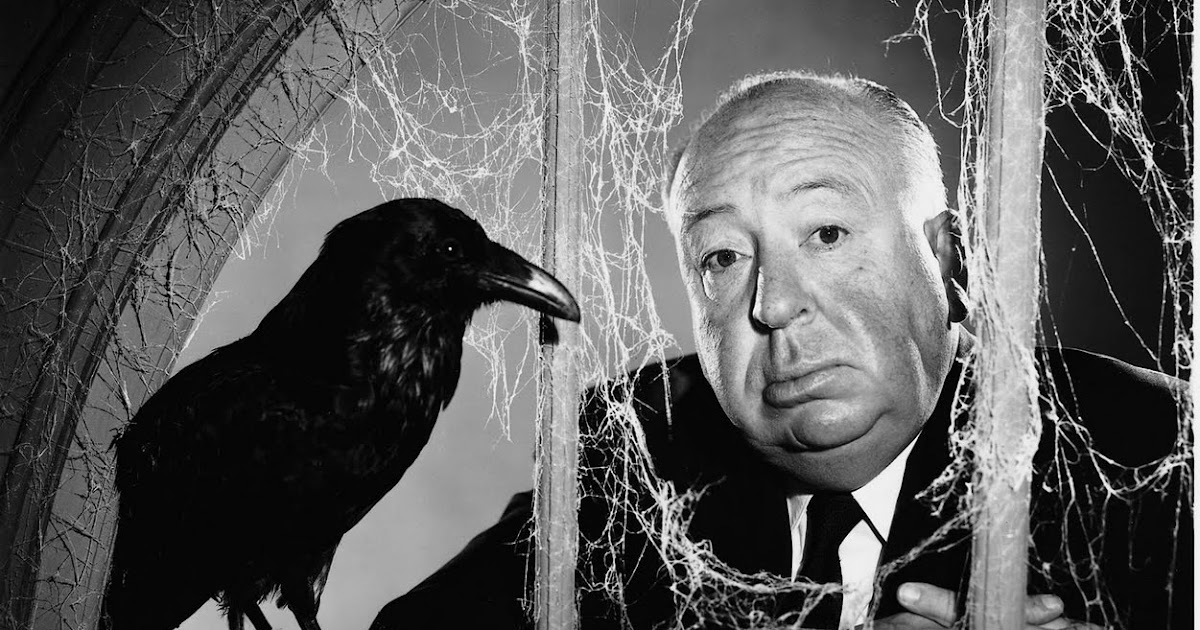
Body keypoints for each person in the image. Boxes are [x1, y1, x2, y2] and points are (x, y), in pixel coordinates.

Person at [370, 72, 1191, 630]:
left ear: (949, 260)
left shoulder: (1152, 449)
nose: (771, 305)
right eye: (724, 257)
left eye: (827, 233)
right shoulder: (642, 450)